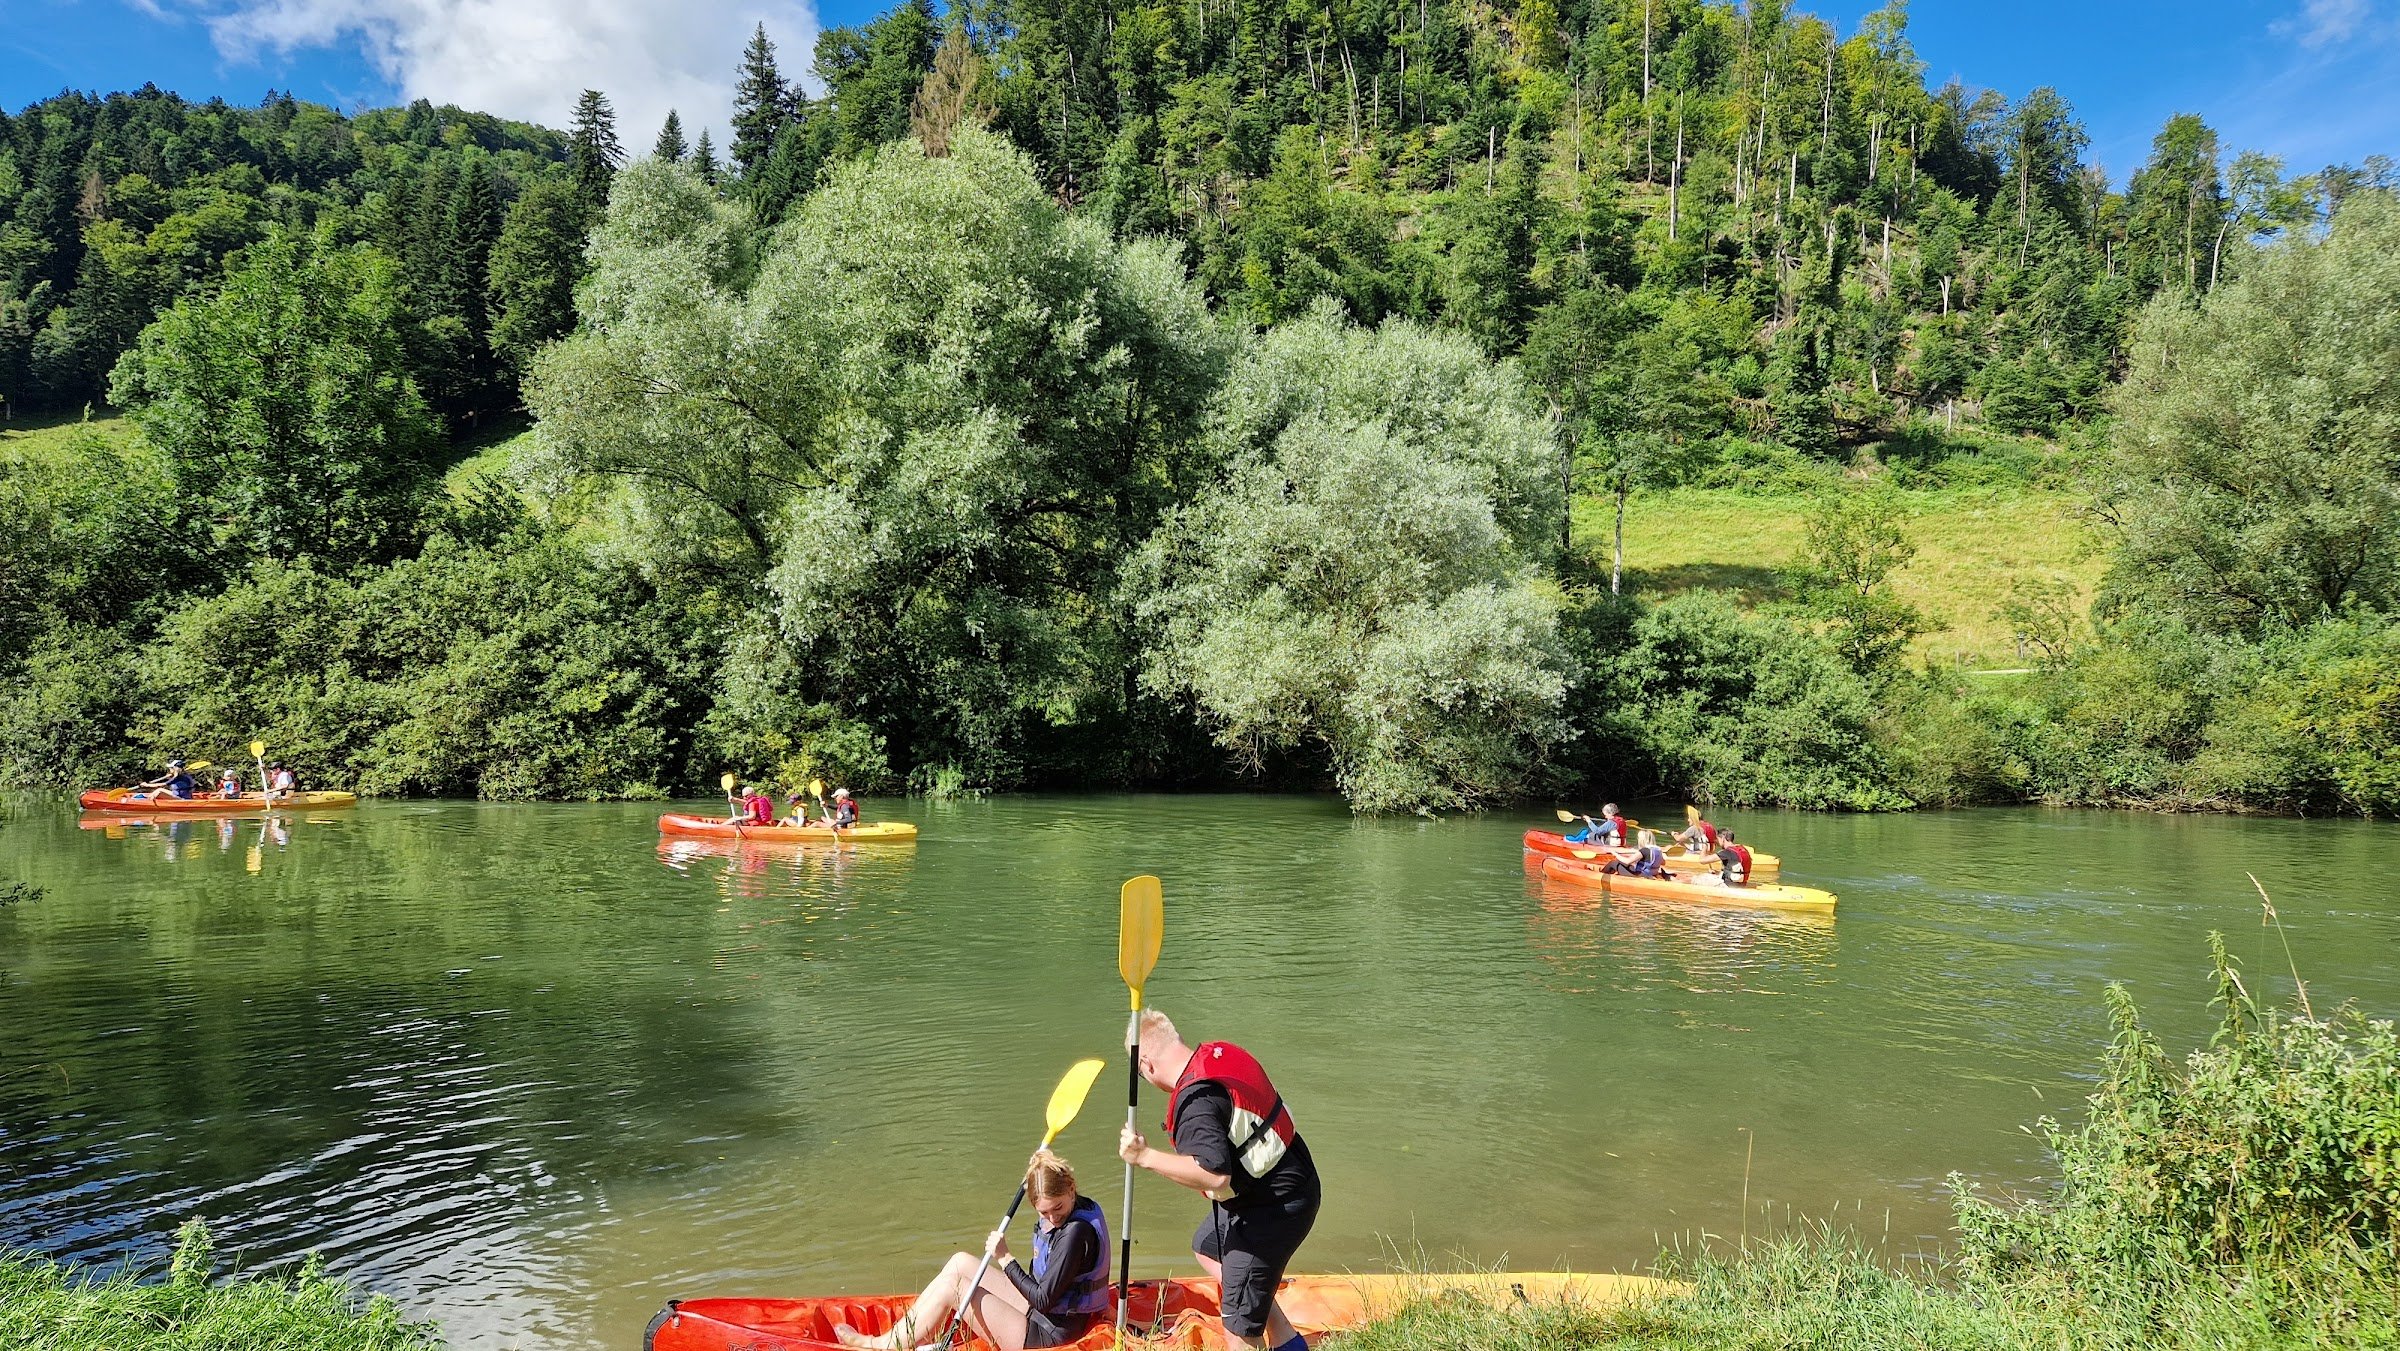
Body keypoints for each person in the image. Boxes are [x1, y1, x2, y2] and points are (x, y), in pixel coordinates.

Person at [1120, 1011, 1321, 1351]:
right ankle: (1286, 1339)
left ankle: (1253, 1324)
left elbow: (1213, 1174)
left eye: (1141, 1072)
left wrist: (1145, 1157)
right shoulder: (1220, 1054)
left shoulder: (1195, 1105)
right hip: (1287, 1179)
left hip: (1274, 1207)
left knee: (1238, 1326)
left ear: (1148, 1067)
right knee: (1209, 1247)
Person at [834, 1150, 1109, 1351]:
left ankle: (882, 1345)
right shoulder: (1064, 1205)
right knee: (959, 1262)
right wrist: (1039, 1167)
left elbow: (1043, 1299)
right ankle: (903, 1335)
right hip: (1043, 1314)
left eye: (1058, 1208)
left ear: (1071, 1189)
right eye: (1043, 1212)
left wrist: (1005, 1258)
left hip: (1051, 1333)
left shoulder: (1076, 1233)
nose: (1052, 1218)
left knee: (951, 1289)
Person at [1689, 827, 1754, 888]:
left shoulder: (1727, 852)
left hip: (1729, 886)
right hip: (1742, 884)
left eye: (1718, 839)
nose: (1717, 842)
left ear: (1723, 839)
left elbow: (1702, 860)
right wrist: (1717, 873)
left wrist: (1704, 847)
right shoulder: (1742, 848)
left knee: (1696, 878)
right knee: (1711, 875)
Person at [1602, 828, 1670, 879]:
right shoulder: (1658, 849)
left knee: (1613, 863)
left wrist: (1615, 854)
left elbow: (1627, 861)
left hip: (1641, 875)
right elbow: (1663, 863)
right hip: (1652, 873)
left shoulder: (1644, 850)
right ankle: (1611, 873)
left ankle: (1600, 875)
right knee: (1624, 864)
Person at [1564, 803, 1629, 847]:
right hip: (1621, 843)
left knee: (1586, 837)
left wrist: (1589, 821)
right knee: (1587, 831)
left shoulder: (1611, 823)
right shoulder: (1622, 820)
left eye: (1605, 814)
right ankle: (1582, 836)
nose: (1605, 817)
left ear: (1611, 814)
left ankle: (1577, 840)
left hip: (1609, 845)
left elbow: (1597, 831)